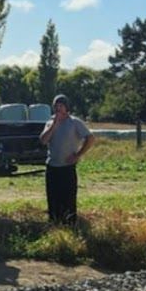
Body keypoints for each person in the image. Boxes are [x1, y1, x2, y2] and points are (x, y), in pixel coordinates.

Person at [40, 93, 94, 224]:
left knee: (68, 199)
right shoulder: (50, 122)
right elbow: (43, 140)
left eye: (61, 106)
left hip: (67, 167)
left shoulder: (74, 122)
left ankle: (70, 225)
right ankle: (54, 224)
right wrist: (54, 125)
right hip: (52, 167)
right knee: (53, 198)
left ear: (66, 107)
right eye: (56, 106)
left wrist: (78, 154)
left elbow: (90, 138)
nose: (59, 109)